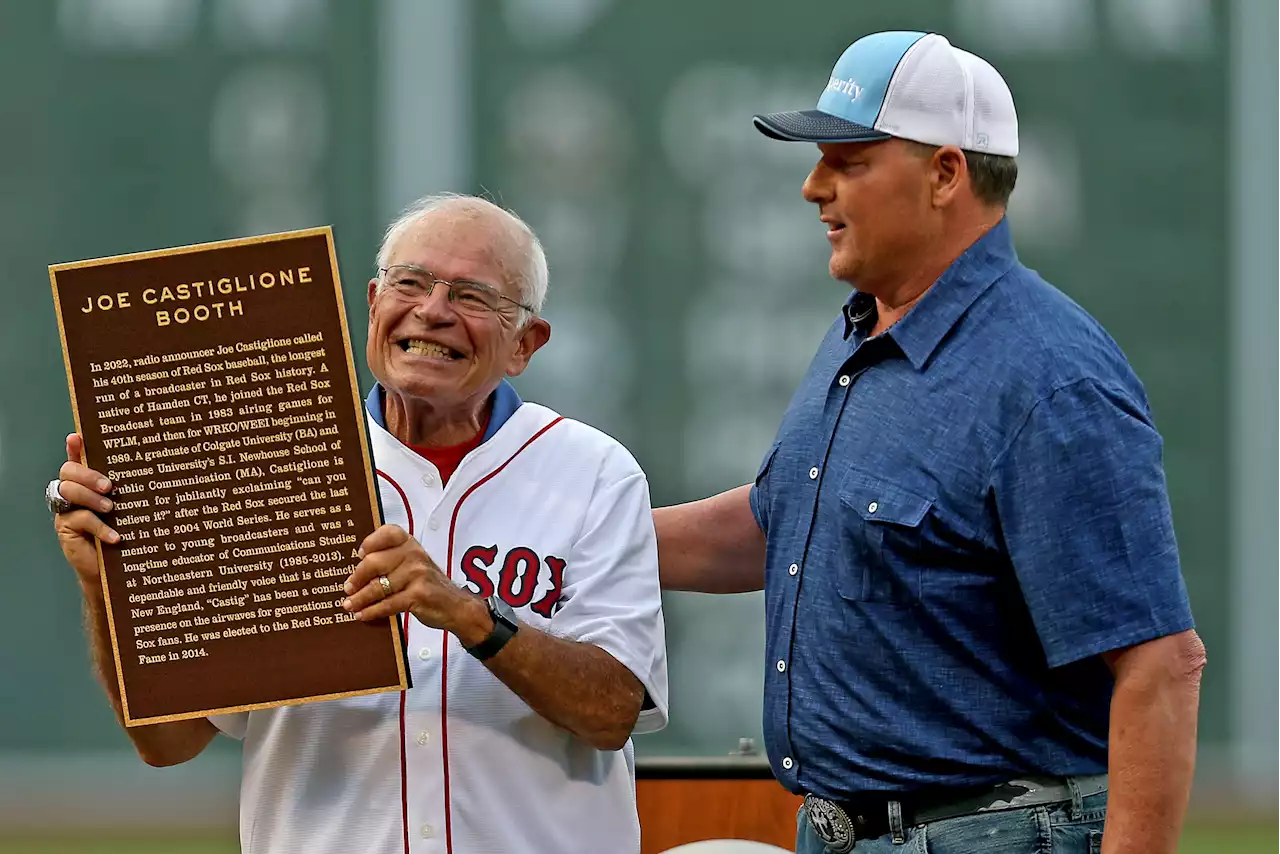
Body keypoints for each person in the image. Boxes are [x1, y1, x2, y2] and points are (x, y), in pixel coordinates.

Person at [654, 30, 1205, 854]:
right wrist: (567, 534)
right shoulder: (866, 328)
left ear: (946, 173)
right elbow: (779, 528)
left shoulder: (1048, 375)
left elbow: (1161, 667)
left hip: (996, 831)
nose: (813, 187)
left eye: (849, 161)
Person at [50, 193, 668, 854]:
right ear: (374, 304)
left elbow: (612, 712)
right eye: (411, 283)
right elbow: (168, 743)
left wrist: (470, 615)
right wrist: (105, 585)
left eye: (472, 296)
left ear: (525, 344)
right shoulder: (266, 467)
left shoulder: (595, 472)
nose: (432, 311)